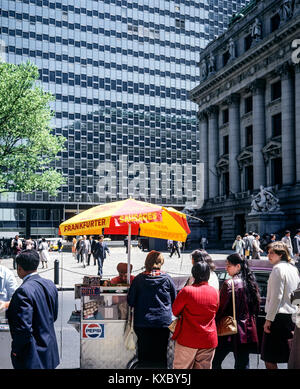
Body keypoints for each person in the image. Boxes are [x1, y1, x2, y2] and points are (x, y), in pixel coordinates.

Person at [6, 249, 59, 369]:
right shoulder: (50, 284)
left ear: (19, 268)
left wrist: (16, 350)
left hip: (33, 355)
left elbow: (23, 329)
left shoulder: (23, 291)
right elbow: (53, 316)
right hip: (49, 350)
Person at [127, 250, 177, 368]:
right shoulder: (167, 279)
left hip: (142, 323)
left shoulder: (138, 279)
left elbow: (131, 301)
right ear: (160, 263)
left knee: (144, 356)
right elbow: (175, 300)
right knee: (160, 356)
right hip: (162, 324)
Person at [212, 253, 261, 369]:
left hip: (229, 329)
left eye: (228, 265)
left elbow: (221, 308)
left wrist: (214, 322)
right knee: (243, 363)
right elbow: (256, 308)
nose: (226, 268)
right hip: (247, 330)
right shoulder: (251, 283)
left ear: (238, 266)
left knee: (215, 361)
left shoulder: (229, 283)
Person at [172, 261, 219, 369]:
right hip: (208, 339)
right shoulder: (215, 292)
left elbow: (174, 311)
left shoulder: (187, 291)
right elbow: (215, 310)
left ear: (193, 274)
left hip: (188, 338)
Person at [261, 241, 300, 369]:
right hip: (292, 316)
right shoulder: (293, 269)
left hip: (278, 317)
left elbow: (276, 297)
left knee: (269, 357)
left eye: (272, 253)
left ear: (281, 254)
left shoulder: (278, 269)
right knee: (291, 356)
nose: (268, 256)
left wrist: (268, 320)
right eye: (268, 253)